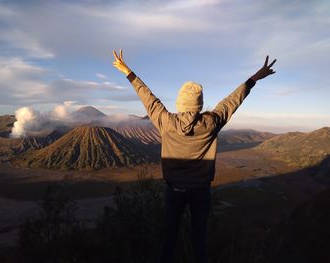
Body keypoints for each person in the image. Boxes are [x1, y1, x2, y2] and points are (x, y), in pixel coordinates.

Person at [112, 50, 276, 263]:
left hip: (175, 191)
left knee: (169, 239)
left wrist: (128, 71)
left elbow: (148, 98)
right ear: (199, 104)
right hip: (201, 191)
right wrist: (254, 78)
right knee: (199, 241)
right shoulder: (212, 123)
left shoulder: (166, 122)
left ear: (180, 103)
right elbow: (232, 101)